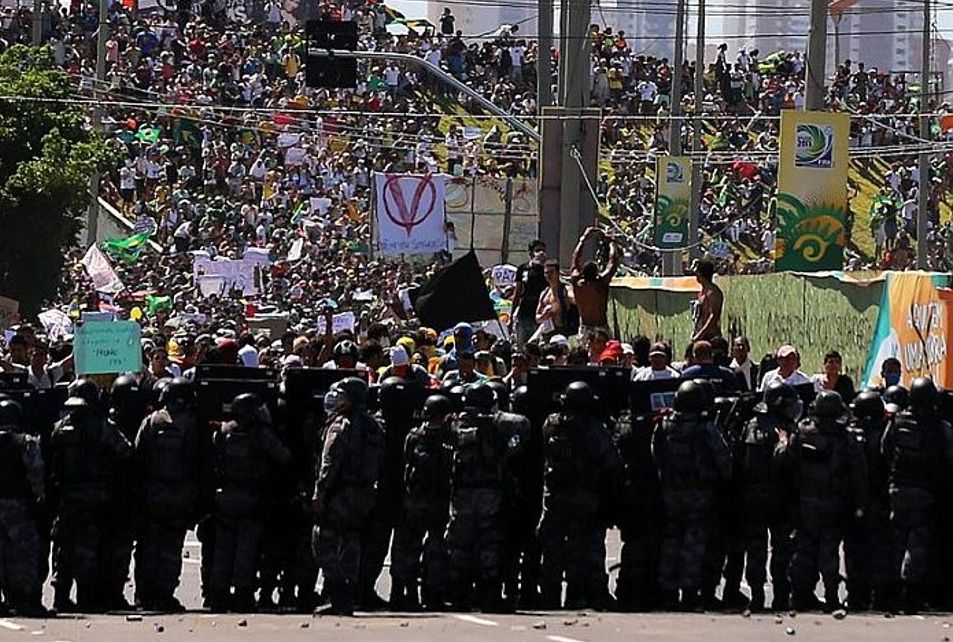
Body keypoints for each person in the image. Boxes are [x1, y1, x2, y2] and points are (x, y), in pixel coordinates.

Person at [776, 390, 868, 612]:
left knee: (804, 550)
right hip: (834, 504)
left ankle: (799, 596)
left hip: (806, 503)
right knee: (829, 550)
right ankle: (831, 596)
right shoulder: (846, 439)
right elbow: (859, 474)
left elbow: (785, 463)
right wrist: (860, 504)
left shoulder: (802, 434)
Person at [49, 379, 133, 613]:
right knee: (88, 547)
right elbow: (125, 451)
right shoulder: (102, 426)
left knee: (64, 548)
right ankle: (87, 598)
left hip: (67, 496)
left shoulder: (60, 427)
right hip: (95, 496)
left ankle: (61, 596)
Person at [538, 382, 622, 610]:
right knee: (587, 550)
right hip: (585, 498)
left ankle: (550, 596)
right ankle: (582, 595)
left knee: (553, 552)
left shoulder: (552, 424)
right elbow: (612, 463)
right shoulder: (595, 429)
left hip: (555, 498)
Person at [446, 383, 529, 612]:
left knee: (460, 545)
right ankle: (489, 595)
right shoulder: (500, 423)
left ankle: (459, 596)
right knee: (489, 543)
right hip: (490, 493)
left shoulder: (456, 424)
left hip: (463, 494)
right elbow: (523, 429)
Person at [652, 380, 732, 610]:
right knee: (694, 543)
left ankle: (668, 591)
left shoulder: (664, 425)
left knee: (671, 542)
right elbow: (723, 458)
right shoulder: (705, 427)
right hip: (700, 493)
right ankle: (689, 591)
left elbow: (656, 454)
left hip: (671, 492)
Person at [208, 393, 291, 612]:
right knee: (246, 547)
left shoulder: (224, 431)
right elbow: (284, 457)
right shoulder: (261, 434)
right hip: (250, 496)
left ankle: (218, 594)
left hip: (225, 495)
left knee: (223, 547)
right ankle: (242, 594)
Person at [133, 377, 207, 612]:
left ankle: (144, 594)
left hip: (153, 492)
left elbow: (137, 455)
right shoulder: (193, 423)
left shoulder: (151, 421)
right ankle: (164, 593)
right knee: (171, 546)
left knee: (147, 545)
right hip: (180, 493)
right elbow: (199, 461)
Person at [880, 377, 953, 613]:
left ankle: (890, 594)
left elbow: (885, 449)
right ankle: (910, 594)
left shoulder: (898, 421)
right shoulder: (941, 427)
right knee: (917, 544)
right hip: (925, 491)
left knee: (896, 541)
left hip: (898, 489)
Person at [312, 378, 383, 616]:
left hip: (340, 492)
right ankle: (347, 597)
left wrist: (320, 492)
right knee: (351, 543)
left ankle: (338, 591)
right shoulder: (374, 425)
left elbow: (329, 462)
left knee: (322, 541)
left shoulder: (340, 426)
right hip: (363, 493)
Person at [738, 382, 802, 612]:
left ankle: (757, 595)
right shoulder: (785, 431)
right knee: (781, 547)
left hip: (754, 496)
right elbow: (787, 465)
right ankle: (780, 595)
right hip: (778, 496)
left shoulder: (751, 425)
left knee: (756, 547)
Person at [389, 394, 454, 611]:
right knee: (431, 550)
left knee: (411, 549)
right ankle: (422, 595)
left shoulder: (415, 436)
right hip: (432, 501)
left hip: (419, 500)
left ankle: (405, 594)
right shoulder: (445, 438)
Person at [844, 388, 894, 612]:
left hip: (856, 501)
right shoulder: (887, 434)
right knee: (881, 549)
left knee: (855, 550)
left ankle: (856, 595)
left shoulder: (850, 436)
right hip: (880, 499)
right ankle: (880, 596)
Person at [0, 398, 46, 617]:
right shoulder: (25, 442)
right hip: (17, 505)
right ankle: (26, 600)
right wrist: (40, 497)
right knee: (24, 553)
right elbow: (36, 472)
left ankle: (7, 599)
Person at [570, 226, 620, 334]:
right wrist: (611, 242)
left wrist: (583, 239)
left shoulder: (578, 284)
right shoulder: (600, 284)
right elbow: (613, 262)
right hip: (600, 327)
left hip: (585, 327)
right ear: (597, 274)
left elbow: (575, 259)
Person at [511, 241, 548, 346]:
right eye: (537, 250)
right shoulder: (523, 268)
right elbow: (518, 292)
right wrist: (512, 314)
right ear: (531, 253)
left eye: (543, 251)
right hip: (524, 311)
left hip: (539, 312)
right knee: (521, 343)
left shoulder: (547, 269)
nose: (541, 253)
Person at [535, 260, 575, 340]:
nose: (548, 275)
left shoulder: (565, 290)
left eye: (551, 272)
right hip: (547, 333)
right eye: (546, 273)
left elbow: (575, 301)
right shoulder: (544, 293)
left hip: (563, 332)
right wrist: (544, 315)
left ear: (557, 273)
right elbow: (537, 318)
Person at [690, 260, 723, 342]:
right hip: (700, 333)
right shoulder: (702, 291)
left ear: (701, 273)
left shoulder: (712, 292)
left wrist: (700, 334)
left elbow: (714, 316)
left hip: (710, 336)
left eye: (697, 272)